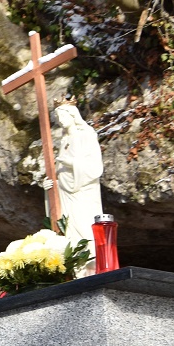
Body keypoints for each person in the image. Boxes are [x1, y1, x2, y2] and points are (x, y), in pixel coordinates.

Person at [48, 104, 104, 248]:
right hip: (65, 194)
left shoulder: (86, 134)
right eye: (58, 118)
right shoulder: (64, 140)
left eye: (63, 116)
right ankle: (75, 265)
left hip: (82, 192)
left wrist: (72, 163)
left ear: (73, 115)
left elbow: (95, 166)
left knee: (84, 228)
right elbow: (59, 171)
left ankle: (89, 264)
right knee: (68, 230)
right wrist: (49, 186)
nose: (60, 120)